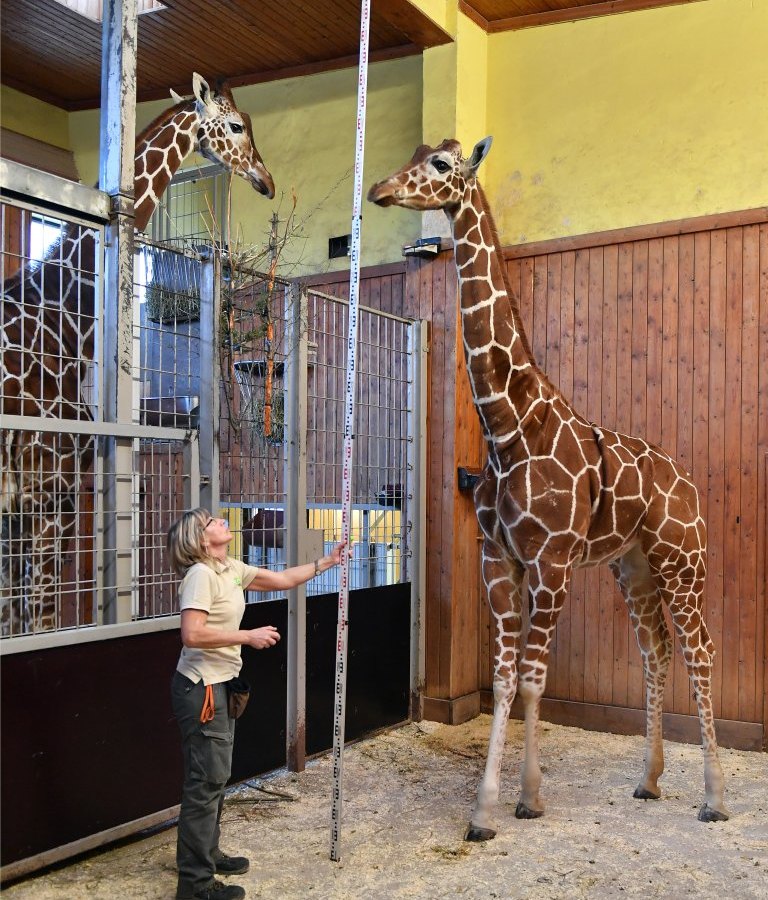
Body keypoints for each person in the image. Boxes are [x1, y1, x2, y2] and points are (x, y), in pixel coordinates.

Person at [167, 508, 349, 900]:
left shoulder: (229, 567)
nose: (220, 520)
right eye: (211, 521)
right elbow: (192, 634)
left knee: (215, 777)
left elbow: (282, 579)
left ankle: (209, 854)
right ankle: (195, 886)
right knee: (205, 782)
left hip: (220, 686)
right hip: (202, 689)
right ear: (201, 540)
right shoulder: (200, 575)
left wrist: (327, 562)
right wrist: (246, 636)